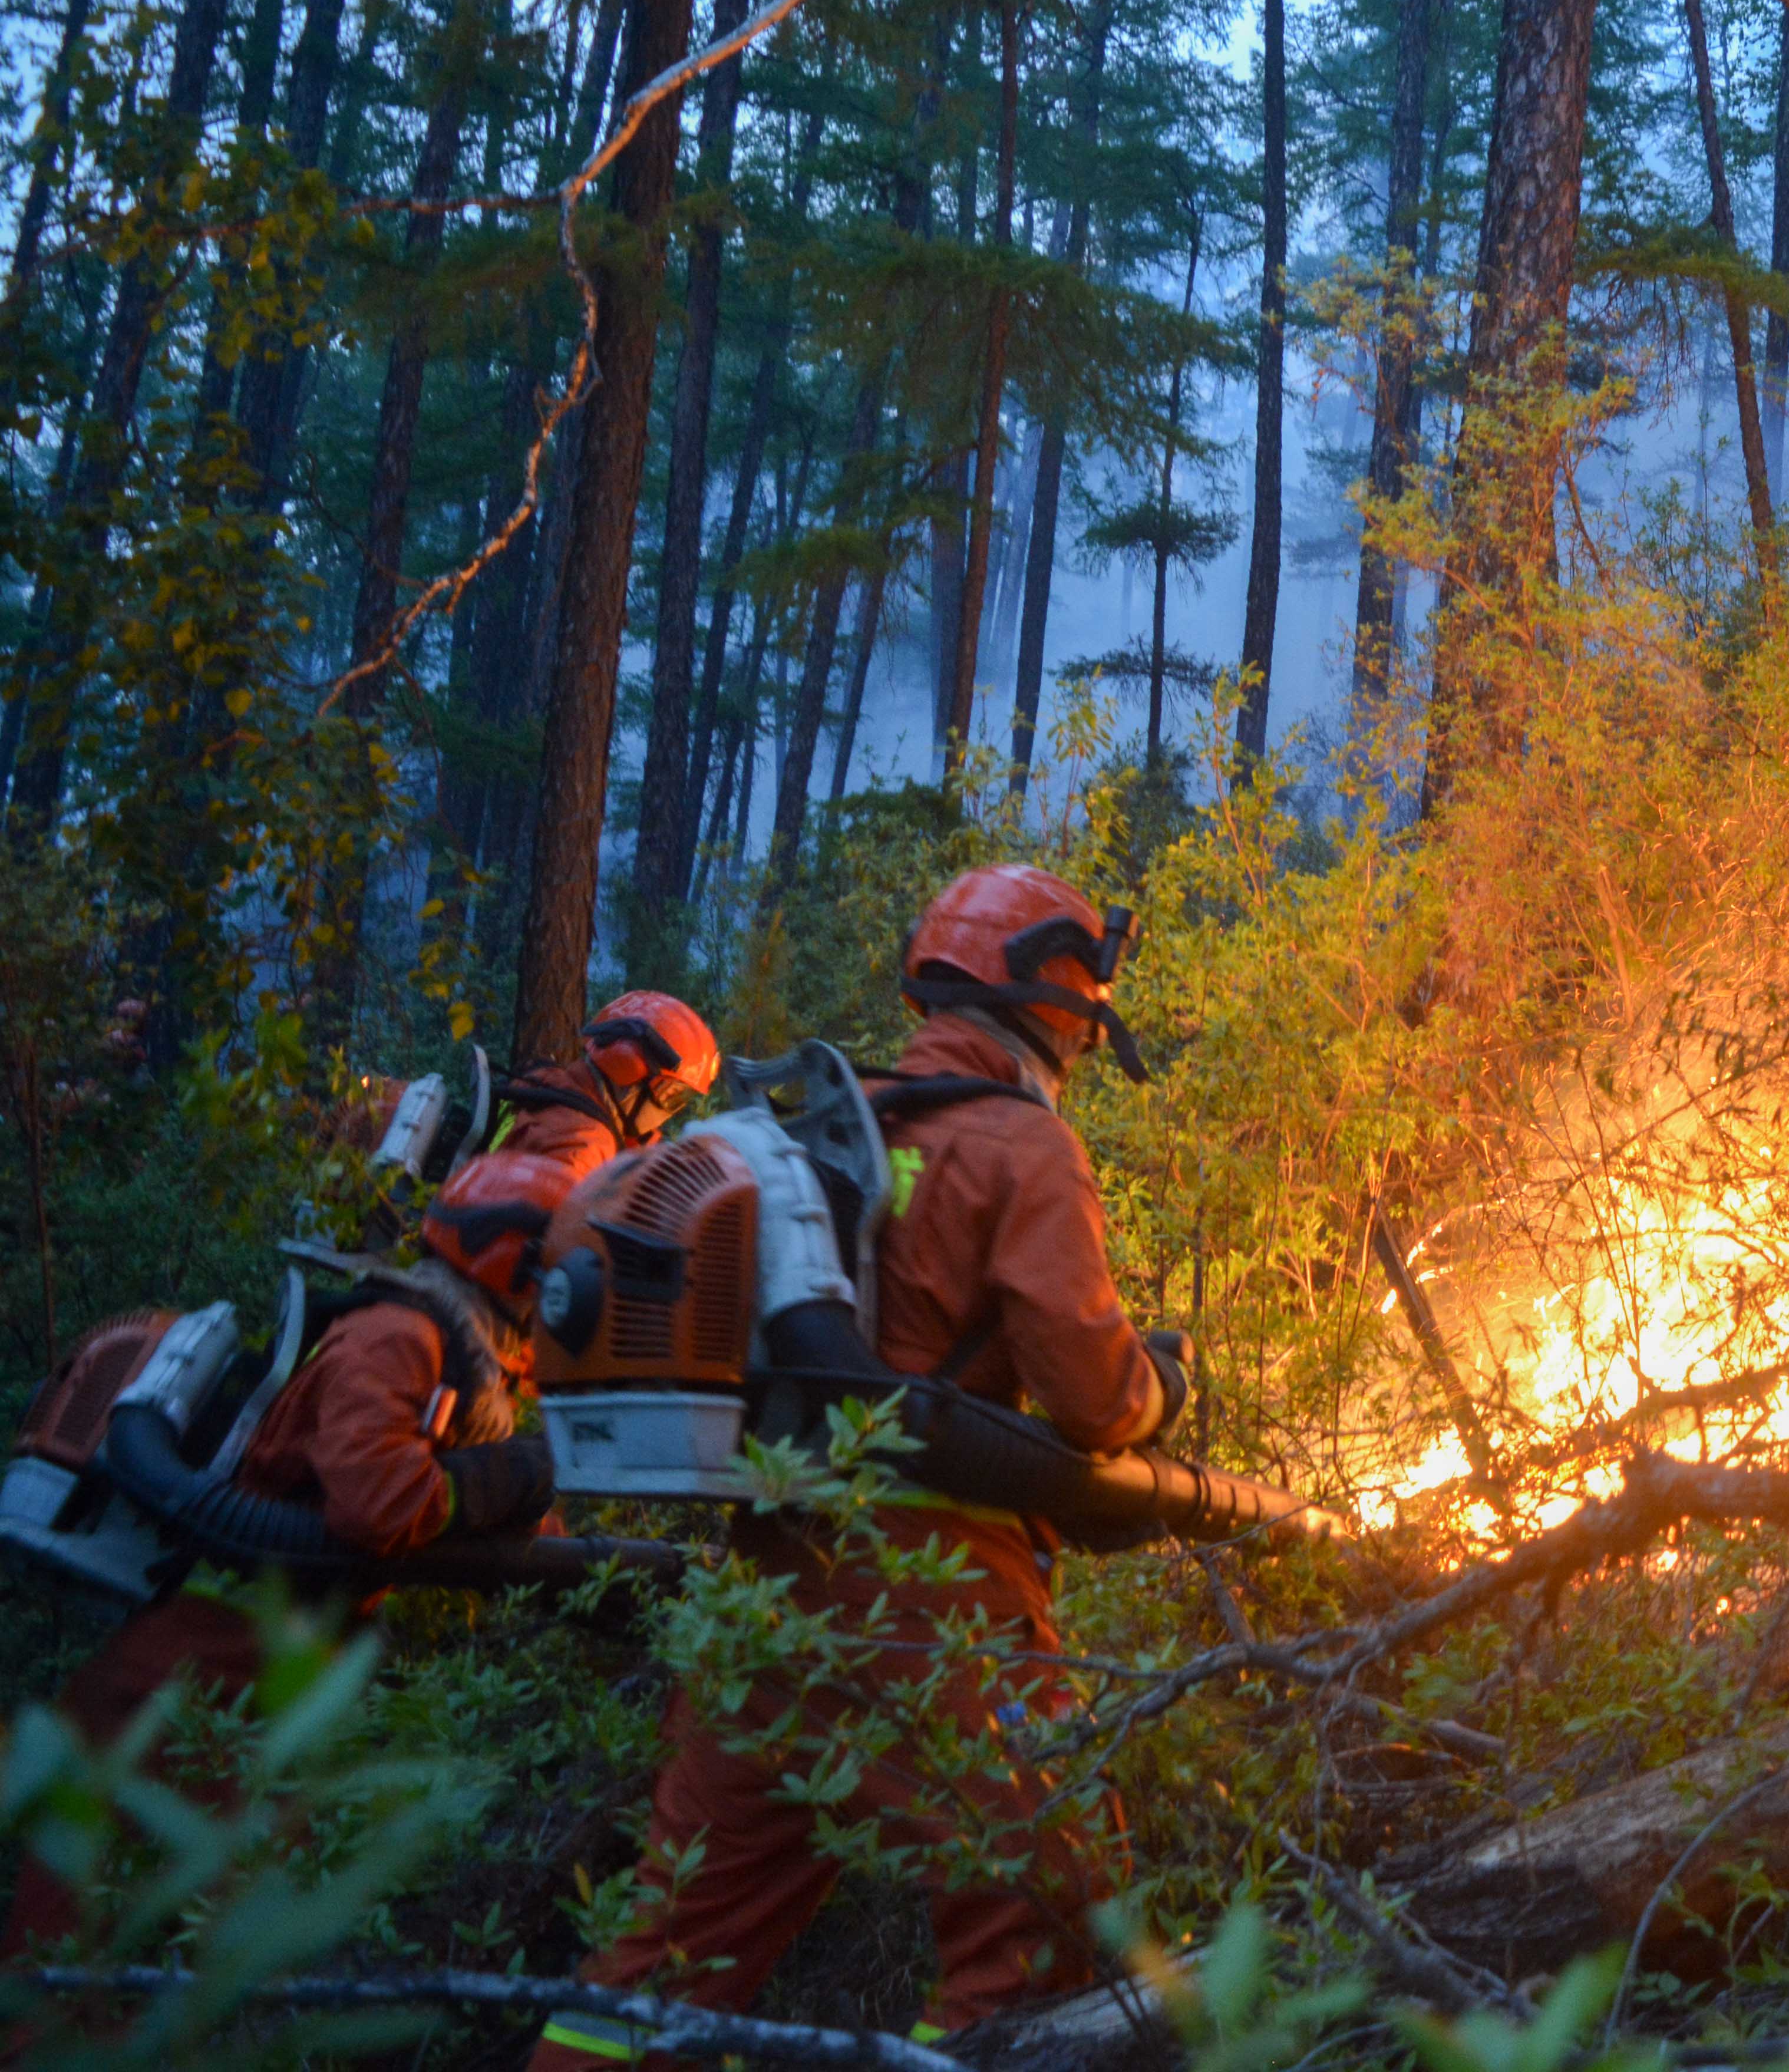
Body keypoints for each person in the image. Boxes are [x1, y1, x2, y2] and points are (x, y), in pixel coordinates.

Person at [530, 865, 1188, 2067]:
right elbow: (1091, 1395)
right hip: (934, 1593)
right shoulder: (1018, 1144)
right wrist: (1162, 1385)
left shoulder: (823, 1127)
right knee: (1045, 1916)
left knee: (665, 1954)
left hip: (761, 1592)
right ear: (1057, 1006)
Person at [2, 1151, 565, 1954]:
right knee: (72, 1963)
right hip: (186, 1678)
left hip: (261, 1681)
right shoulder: (399, 1338)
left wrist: (616, 1582)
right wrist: (517, 1473)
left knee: (231, 1958)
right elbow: (380, 1504)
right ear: (522, 1271)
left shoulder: (469, 1372)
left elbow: (495, 1521)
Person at [490, 991, 721, 1191]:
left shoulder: (549, 1083)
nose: (674, 1111)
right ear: (628, 1071)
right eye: (672, 1096)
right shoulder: (585, 1150)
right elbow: (564, 1239)